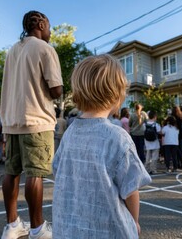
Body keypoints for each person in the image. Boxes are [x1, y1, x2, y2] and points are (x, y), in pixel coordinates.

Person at [52, 54, 151, 238]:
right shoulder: (118, 137)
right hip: (109, 229)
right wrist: (134, 221)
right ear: (116, 94)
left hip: (68, 228)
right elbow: (130, 188)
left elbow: (58, 171)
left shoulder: (70, 133)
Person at [0, 11, 63, 239]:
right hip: (37, 119)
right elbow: (56, 89)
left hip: (11, 120)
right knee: (35, 174)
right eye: (49, 27)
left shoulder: (12, 51)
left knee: (11, 172)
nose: (50, 32)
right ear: (42, 24)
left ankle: (12, 225)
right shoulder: (45, 48)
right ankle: (37, 229)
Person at [144, 110, 161, 175]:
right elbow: (159, 132)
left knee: (147, 157)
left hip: (147, 143)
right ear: (155, 117)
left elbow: (143, 132)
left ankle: (146, 170)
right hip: (155, 142)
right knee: (154, 157)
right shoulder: (156, 124)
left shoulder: (145, 124)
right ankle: (153, 170)